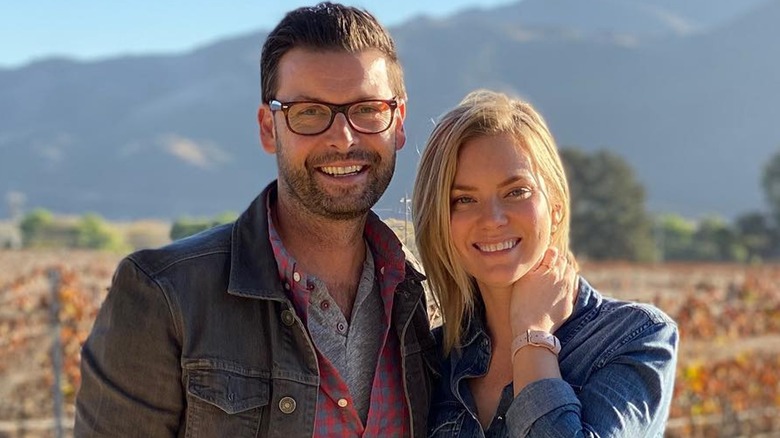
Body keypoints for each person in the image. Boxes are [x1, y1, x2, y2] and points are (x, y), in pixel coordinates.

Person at [74, 3, 437, 437]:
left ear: (398, 122)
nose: (343, 137)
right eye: (308, 112)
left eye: (367, 109)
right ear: (269, 128)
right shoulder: (164, 298)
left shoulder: (425, 296)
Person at [412, 90, 678, 437]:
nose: (492, 219)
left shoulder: (635, 337)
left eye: (516, 191)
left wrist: (532, 336)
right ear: (440, 222)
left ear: (555, 208)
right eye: (464, 199)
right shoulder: (432, 360)